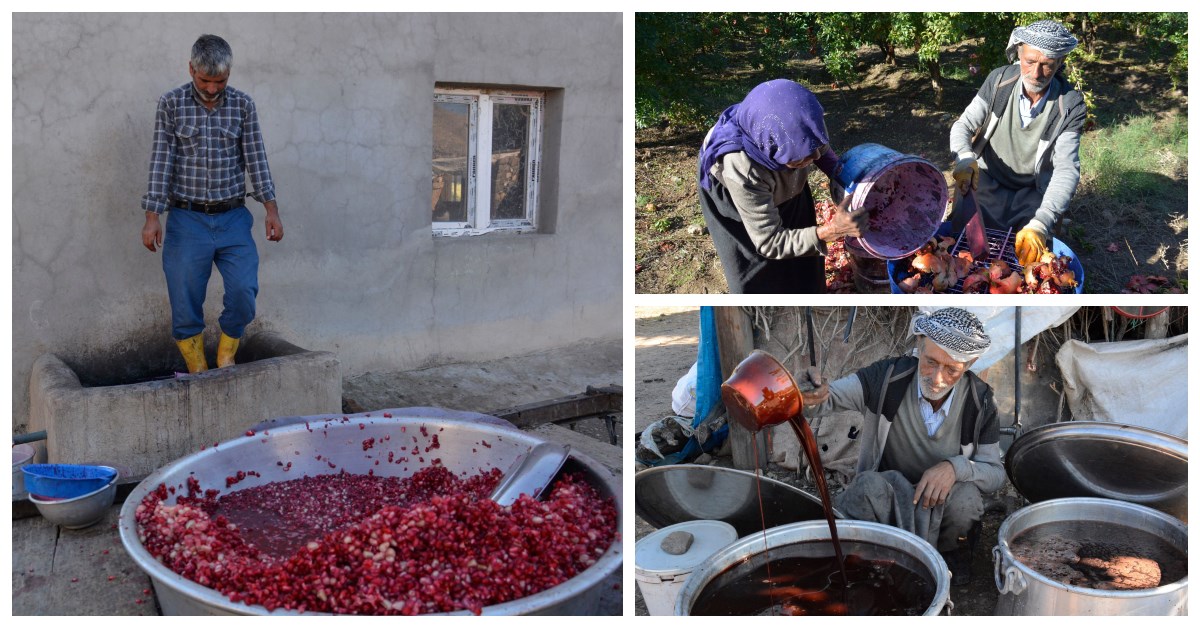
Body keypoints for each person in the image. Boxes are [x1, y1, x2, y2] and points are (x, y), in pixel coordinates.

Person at [801, 308, 1004, 585]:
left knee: (966, 500)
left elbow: (994, 474)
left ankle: (950, 557)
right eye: (930, 361)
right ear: (919, 344)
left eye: (952, 370)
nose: (937, 378)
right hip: (888, 494)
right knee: (866, 488)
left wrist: (955, 468)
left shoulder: (981, 401)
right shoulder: (886, 378)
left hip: (942, 502)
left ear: (970, 364)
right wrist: (806, 391)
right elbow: (827, 399)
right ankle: (870, 561)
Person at [140, 34, 284, 373]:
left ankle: (225, 356)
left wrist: (271, 210)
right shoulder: (171, 104)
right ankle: (197, 370)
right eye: (205, 80)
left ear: (229, 74)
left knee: (244, 292)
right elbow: (161, 160)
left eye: (220, 81)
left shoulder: (242, 105)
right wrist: (152, 216)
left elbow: (256, 160)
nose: (212, 88)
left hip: (233, 217)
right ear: (191, 69)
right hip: (187, 220)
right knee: (184, 298)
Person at [698, 79, 867, 293]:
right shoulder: (742, 169)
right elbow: (769, 241)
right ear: (771, 151)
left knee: (803, 256)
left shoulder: (800, 122)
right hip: (737, 197)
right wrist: (831, 231)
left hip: (774, 171)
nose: (814, 157)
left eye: (814, 147)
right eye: (801, 157)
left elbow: (821, 152)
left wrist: (850, 181)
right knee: (757, 269)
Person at [949, 20, 1087, 267]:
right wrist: (964, 156)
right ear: (1019, 53)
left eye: (1047, 65)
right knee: (964, 243)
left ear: (1060, 63)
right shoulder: (999, 81)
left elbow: (1066, 169)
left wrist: (1041, 222)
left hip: (1031, 190)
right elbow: (964, 125)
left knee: (1030, 255)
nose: (1036, 74)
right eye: (1030, 62)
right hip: (988, 179)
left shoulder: (1070, 105)